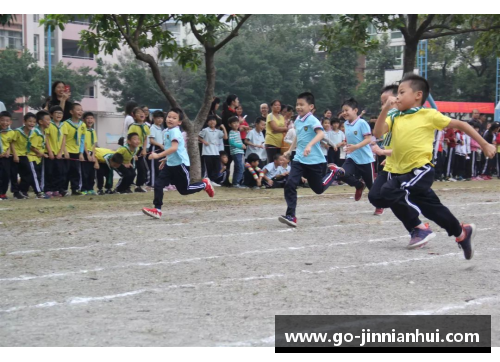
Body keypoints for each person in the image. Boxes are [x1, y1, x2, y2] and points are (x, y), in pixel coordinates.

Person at [369, 73, 496, 258]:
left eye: (402, 92)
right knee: (422, 206)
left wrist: (484, 144)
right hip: (397, 170)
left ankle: (419, 229)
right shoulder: (395, 115)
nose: (397, 96)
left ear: (418, 95)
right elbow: (378, 132)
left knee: (390, 191)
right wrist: (385, 110)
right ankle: (462, 233)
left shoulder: (428, 114)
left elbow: (461, 124)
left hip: (420, 170)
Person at [279, 92, 345, 227]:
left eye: (302, 105)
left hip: (314, 161)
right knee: (290, 183)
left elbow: (321, 134)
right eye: (297, 104)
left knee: (318, 189)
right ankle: (291, 215)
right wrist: (290, 150)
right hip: (299, 159)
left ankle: (333, 172)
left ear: (310, 107)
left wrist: (309, 145)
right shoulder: (297, 120)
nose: (298, 107)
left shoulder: (313, 120)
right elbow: (298, 136)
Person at [142, 108, 215, 219]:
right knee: (158, 184)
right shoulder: (165, 131)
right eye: (169, 117)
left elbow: (175, 148)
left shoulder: (175, 131)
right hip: (170, 164)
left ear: (179, 122)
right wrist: (166, 158)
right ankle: (157, 210)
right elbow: (171, 148)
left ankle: (204, 184)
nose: (170, 119)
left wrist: (158, 156)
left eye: (174, 118)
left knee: (184, 190)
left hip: (180, 164)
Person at [338, 98, 376, 203]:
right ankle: (359, 185)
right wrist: (347, 145)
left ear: (355, 110)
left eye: (347, 110)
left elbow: (368, 139)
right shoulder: (346, 124)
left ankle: (379, 205)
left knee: (372, 188)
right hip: (352, 158)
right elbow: (349, 138)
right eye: (343, 111)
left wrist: (356, 146)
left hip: (365, 160)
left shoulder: (362, 123)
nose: (344, 113)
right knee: (342, 174)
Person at [11, 113, 39, 199]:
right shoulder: (18, 131)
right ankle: (16, 193)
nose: (32, 123)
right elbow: (12, 142)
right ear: (24, 121)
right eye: (30, 121)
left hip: (24, 155)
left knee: (28, 173)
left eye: (34, 122)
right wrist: (15, 155)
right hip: (16, 155)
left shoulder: (32, 132)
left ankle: (23, 190)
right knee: (14, 175)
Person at [61, 103, 86, 196]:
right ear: (71, 112)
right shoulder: (65, 124)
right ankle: (63, 189)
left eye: (81, 110)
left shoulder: (82, 125)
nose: (80, 111)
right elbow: (63, 139)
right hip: (67, 151)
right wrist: (65, 151)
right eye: (78, 109)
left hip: (76, 151)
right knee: (65, 171)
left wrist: (81, 152)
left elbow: (82, 139)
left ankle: (75, 189)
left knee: (76, 171)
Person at [199, 115, 228, 185]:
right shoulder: (205, 130)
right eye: (210, 120)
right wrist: (204, 141)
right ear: (207, 122)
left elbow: (225, 137)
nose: (212, 122)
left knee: (217, 167)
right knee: (209, 168)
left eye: (214, 120)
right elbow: (198, 137)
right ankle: (209, 181)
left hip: (215, 152)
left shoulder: (218, 131)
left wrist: (223, 128)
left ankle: (212, 180)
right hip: (207, 152)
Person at [44, 106, 66, 197]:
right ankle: (48, 189)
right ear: (51, 115)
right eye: (56, 113)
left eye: (60, 113)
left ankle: (56, 189)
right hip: (50, 153)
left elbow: (64, 139)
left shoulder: (63, 125)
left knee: (59, 172)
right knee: (49, 172)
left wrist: (61, 152)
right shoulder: (49, 125)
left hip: (59, 154)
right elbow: (46, 138)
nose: (59, 115)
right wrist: (50, 151)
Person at [128, 107, 151, 192]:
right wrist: (133, 153)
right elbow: (129, 140)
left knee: (142, 169)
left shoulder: (145, 126)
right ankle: (127, 185)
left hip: (140, 149)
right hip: (133, 149)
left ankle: (139, 185)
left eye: (142, 112)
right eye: (138, 113)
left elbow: (145, 139)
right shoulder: (133, 127)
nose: (141, 114)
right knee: (132, 169)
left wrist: (144, 149)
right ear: (134, 116)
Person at [221, 94, 239, 187]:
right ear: (232, 102)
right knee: (227, 159)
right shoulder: (227, 113)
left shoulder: (233, 112)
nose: (238, 101)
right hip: (229, 138)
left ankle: (229, 179)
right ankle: (225, 179)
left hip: (234, 137)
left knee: (231, 159)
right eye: (237, 100)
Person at [81, 112, 98, 195]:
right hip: (85, 152)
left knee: (92, 172)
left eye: (91, 118)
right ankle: (83, 188)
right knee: (84, 172)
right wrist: (87, 154)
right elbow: (83, 142)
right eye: (88, 118)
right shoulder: (83, 130)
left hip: (91, 153)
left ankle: (90, 188)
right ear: (84, 120)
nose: (90, 120)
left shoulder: (93, 131)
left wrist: (93, 155)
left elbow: (94, 144)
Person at [147, 110, 165, 188]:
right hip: (155, 148)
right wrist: (160, 145)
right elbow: (151, 140)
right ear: (153, 118)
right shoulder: (153, 128)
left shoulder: (160, 128)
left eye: (161, 118)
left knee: (160, 167)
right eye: (158, 118)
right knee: (154, 167)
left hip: (161, 148)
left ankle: (159, 183)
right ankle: (153, 184)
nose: (160, 120)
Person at [228, 116, 246, 187]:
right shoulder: (231, 132)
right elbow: (231, 142)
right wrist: (240, 146)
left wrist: (242, 145)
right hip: (236, 152)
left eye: (237, 122)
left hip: (240, 152)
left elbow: (239, 141)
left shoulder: (238, 132)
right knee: (240, 167)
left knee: (238, 167)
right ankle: (236, 183)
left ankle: (235, 182)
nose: (236, 124)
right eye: (234, 123)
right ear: (230, 124)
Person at [0, 111, 14, 200]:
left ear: (10, 122)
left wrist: (8, 151)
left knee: (6, 175)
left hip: (6, 158)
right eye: (2, 120)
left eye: (7, 121)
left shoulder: (11, 132)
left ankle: (3, 193)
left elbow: (10, 143)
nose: (5, 123)